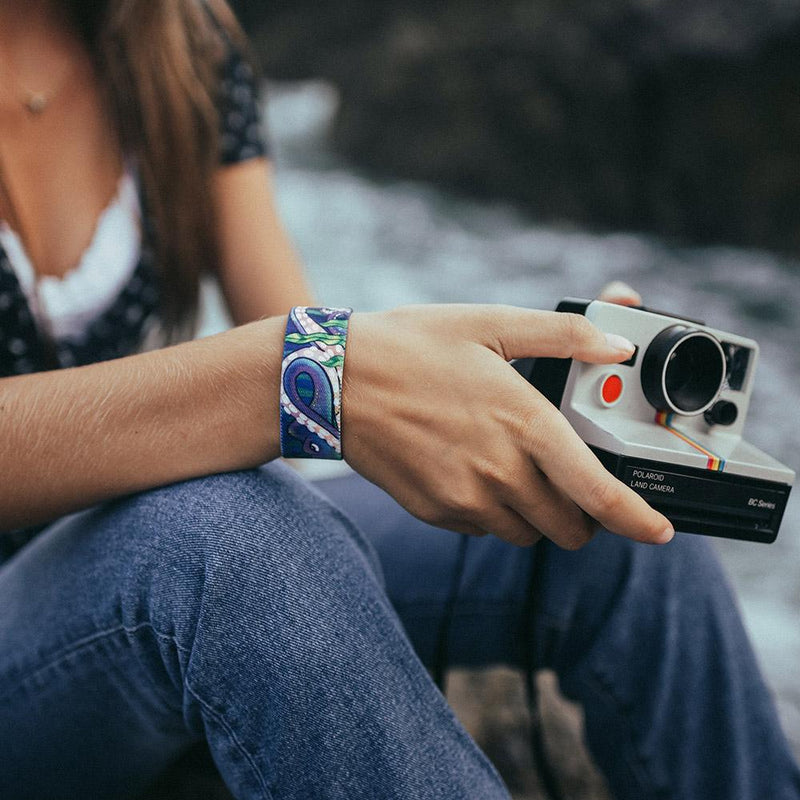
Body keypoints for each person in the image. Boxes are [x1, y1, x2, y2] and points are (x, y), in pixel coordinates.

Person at [0, 2, 797, 799]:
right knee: (231, 539)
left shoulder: (174, 37)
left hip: (115, 564)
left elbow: (299, 340)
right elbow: (293, 366)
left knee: (612, 512)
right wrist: (300, 373)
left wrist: (484, 391)